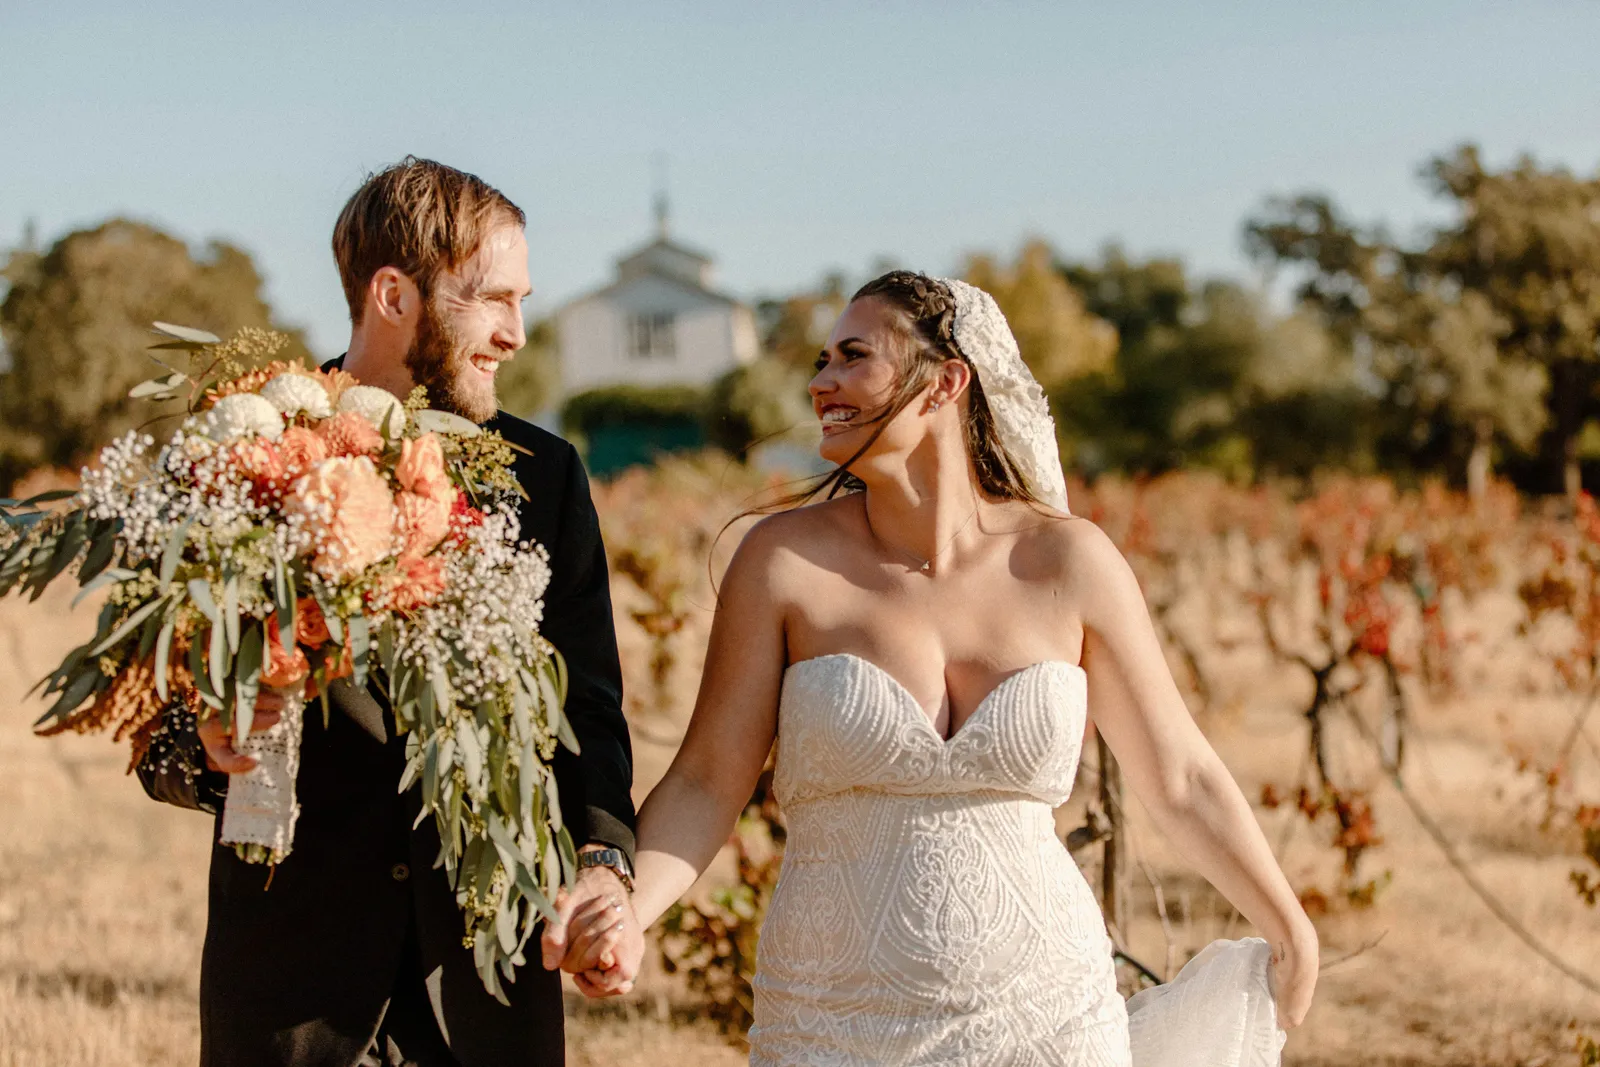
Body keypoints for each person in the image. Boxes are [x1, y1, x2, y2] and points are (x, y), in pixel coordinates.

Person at [549, 272, 1317, 1065]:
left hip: (1049, 1015)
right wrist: (625, 911)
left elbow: (1181, 775)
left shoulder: (1070, 561)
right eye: (821, 360)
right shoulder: (781, 562)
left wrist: (1290, 925)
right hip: (832, 1022)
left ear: (947, 380)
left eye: (854, 356)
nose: (821, 382)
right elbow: (709, 779)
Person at [138, 157, 638, 1067]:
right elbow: (157, 734)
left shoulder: (546, 475)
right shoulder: (244, 452)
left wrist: (605, 870)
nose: (517, 333)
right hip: (291, 998)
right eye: (492, 299)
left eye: (522, 301)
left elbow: (588, 716)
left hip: (486, 991)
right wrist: (206, 741)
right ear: (393, 293)